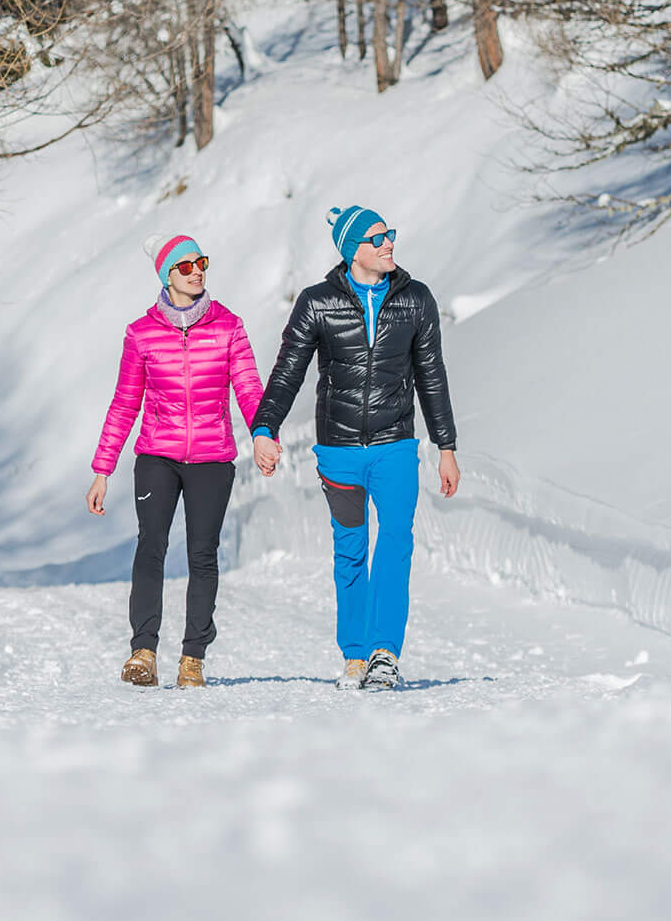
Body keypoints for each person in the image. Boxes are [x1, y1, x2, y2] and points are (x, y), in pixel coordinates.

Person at [251, 204, 459, 691]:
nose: (390, 243)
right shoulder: (317, 303)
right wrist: (266, 428)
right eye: (378, 237)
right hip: (339, 451)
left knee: (396, 542)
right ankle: (355, 654)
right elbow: (288, 371)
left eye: (390, 233)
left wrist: (446, 446)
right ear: (352, 251)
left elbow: (432, 375)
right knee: (350, 551)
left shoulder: (416, 300)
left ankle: (385, 652)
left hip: (395, 447)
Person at [87, 232, 265, 689]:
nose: (197, 271)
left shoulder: (229, 326)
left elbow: (248, 388)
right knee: (152, 545)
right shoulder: (142, 333)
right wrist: (102, 470)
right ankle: (143, 652)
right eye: (186, 265)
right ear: (167, 275)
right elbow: (125, 403)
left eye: (201, 261)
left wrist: (264, 434)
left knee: (202, 554)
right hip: (157, 456)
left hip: (212, 457)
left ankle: (193, 658)